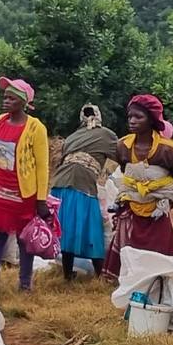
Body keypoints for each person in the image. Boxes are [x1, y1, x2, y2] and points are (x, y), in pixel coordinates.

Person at [105, 94, 173, 278]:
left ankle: (158, 281)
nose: (132, 121)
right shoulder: (122, 146)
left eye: (138, 117)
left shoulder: (168, 149)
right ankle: (130, 280)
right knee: (131, 248)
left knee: (159, 252)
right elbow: (125, 172)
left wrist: (165, 202)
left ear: (152, 119)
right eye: (130, 117)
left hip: (157, 209)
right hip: (132, 207)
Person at [0, 78, 51, 292]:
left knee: (23, 238)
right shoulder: (1, 121)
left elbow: (42, 166)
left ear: (23, 102)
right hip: (1, 187)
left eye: (11, 98)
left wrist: (41, 199)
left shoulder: (36, 128)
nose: (6, 101)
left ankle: (25, 283)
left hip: (23, 192)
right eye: (5, 97)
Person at [53, 104, 119, 281]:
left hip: (59, 184)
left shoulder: (72, 137)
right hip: (82, 185)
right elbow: (123, 157)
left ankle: (68, 275)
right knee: (91, 229)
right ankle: (101, 276)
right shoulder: (107, 135)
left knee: (66, 230)